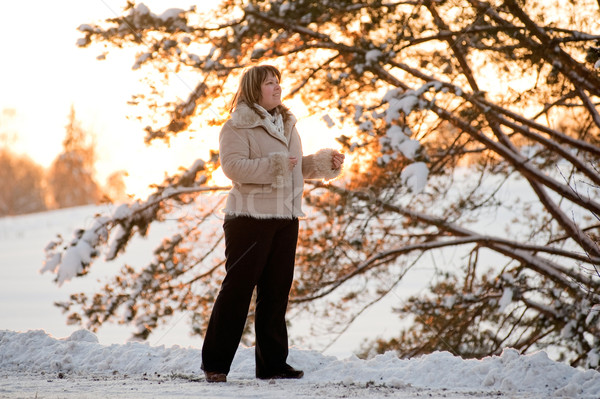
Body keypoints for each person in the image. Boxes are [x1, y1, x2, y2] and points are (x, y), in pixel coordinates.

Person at [201, 65, 345, 383]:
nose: (277, 87)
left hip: (286, 218)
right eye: (270, 83)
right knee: (238, 291)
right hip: (248, 220)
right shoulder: (236, 126)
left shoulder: (287, 123)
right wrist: (277, 164)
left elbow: (295, 167)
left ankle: (273, 365)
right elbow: (233, 167)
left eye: (278, 82)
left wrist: (323, 163)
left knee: (276, 292)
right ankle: (215, 364)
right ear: (255, 89)